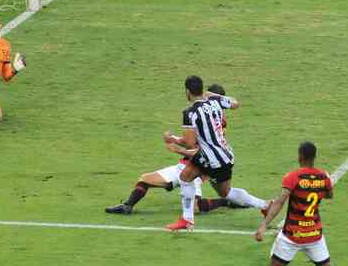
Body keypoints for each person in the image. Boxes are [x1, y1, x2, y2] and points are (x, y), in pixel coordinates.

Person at [245, 141, 348, 266]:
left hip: (292, 235)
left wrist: (264, 225)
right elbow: (329, 195)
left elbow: (279, 202)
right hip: (314, 234)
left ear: (300, 156)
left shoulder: (293, 177)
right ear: (314, 157)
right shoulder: (324, 177)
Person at [105, 84, 248, 216]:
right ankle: (127, 206)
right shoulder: (212, 119)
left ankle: (226, 201)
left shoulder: (209, 121)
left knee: (195, 208)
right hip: (184, 165)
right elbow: (191, 142)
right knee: (144, 179)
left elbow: (195, 148)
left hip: (197, 168)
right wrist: (174, 139)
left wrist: (176, 147)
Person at [164, 76, 268, 231]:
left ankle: (187, 220)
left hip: (211, 159)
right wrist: (212, 95)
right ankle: (265, 205)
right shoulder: (216, 101)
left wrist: (174, 141)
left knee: (186, 178)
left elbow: (190, 143)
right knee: (225, 192)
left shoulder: (190, 113)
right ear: (202, 89)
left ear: (187, 92)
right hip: (225, 155)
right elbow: (235, 103)